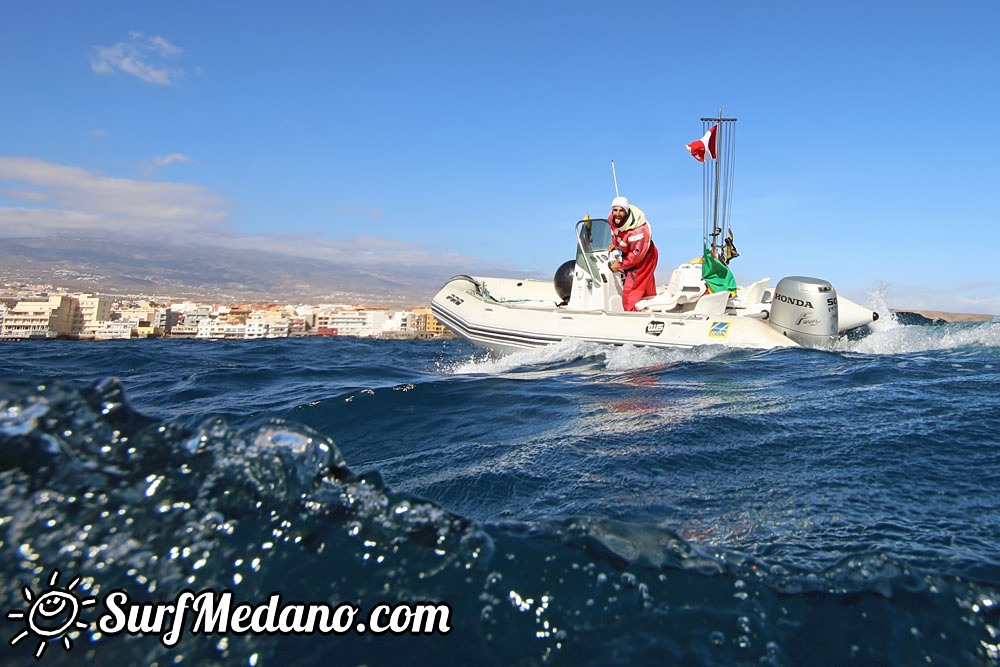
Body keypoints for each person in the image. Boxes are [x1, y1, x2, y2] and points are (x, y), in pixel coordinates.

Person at [607, 195, 658, 311]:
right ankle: (649, 312)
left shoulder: (637, 231)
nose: (617, 213)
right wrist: (615, 243)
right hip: (634, 254)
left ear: (626, 211)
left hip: (644, 259)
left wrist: (619, 265)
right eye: (615, 210)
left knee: (630, 293)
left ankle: (632, 316)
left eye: (621, 210)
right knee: (645, 288)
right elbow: (615, 232)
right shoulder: (612, 219)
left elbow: (636, 257)